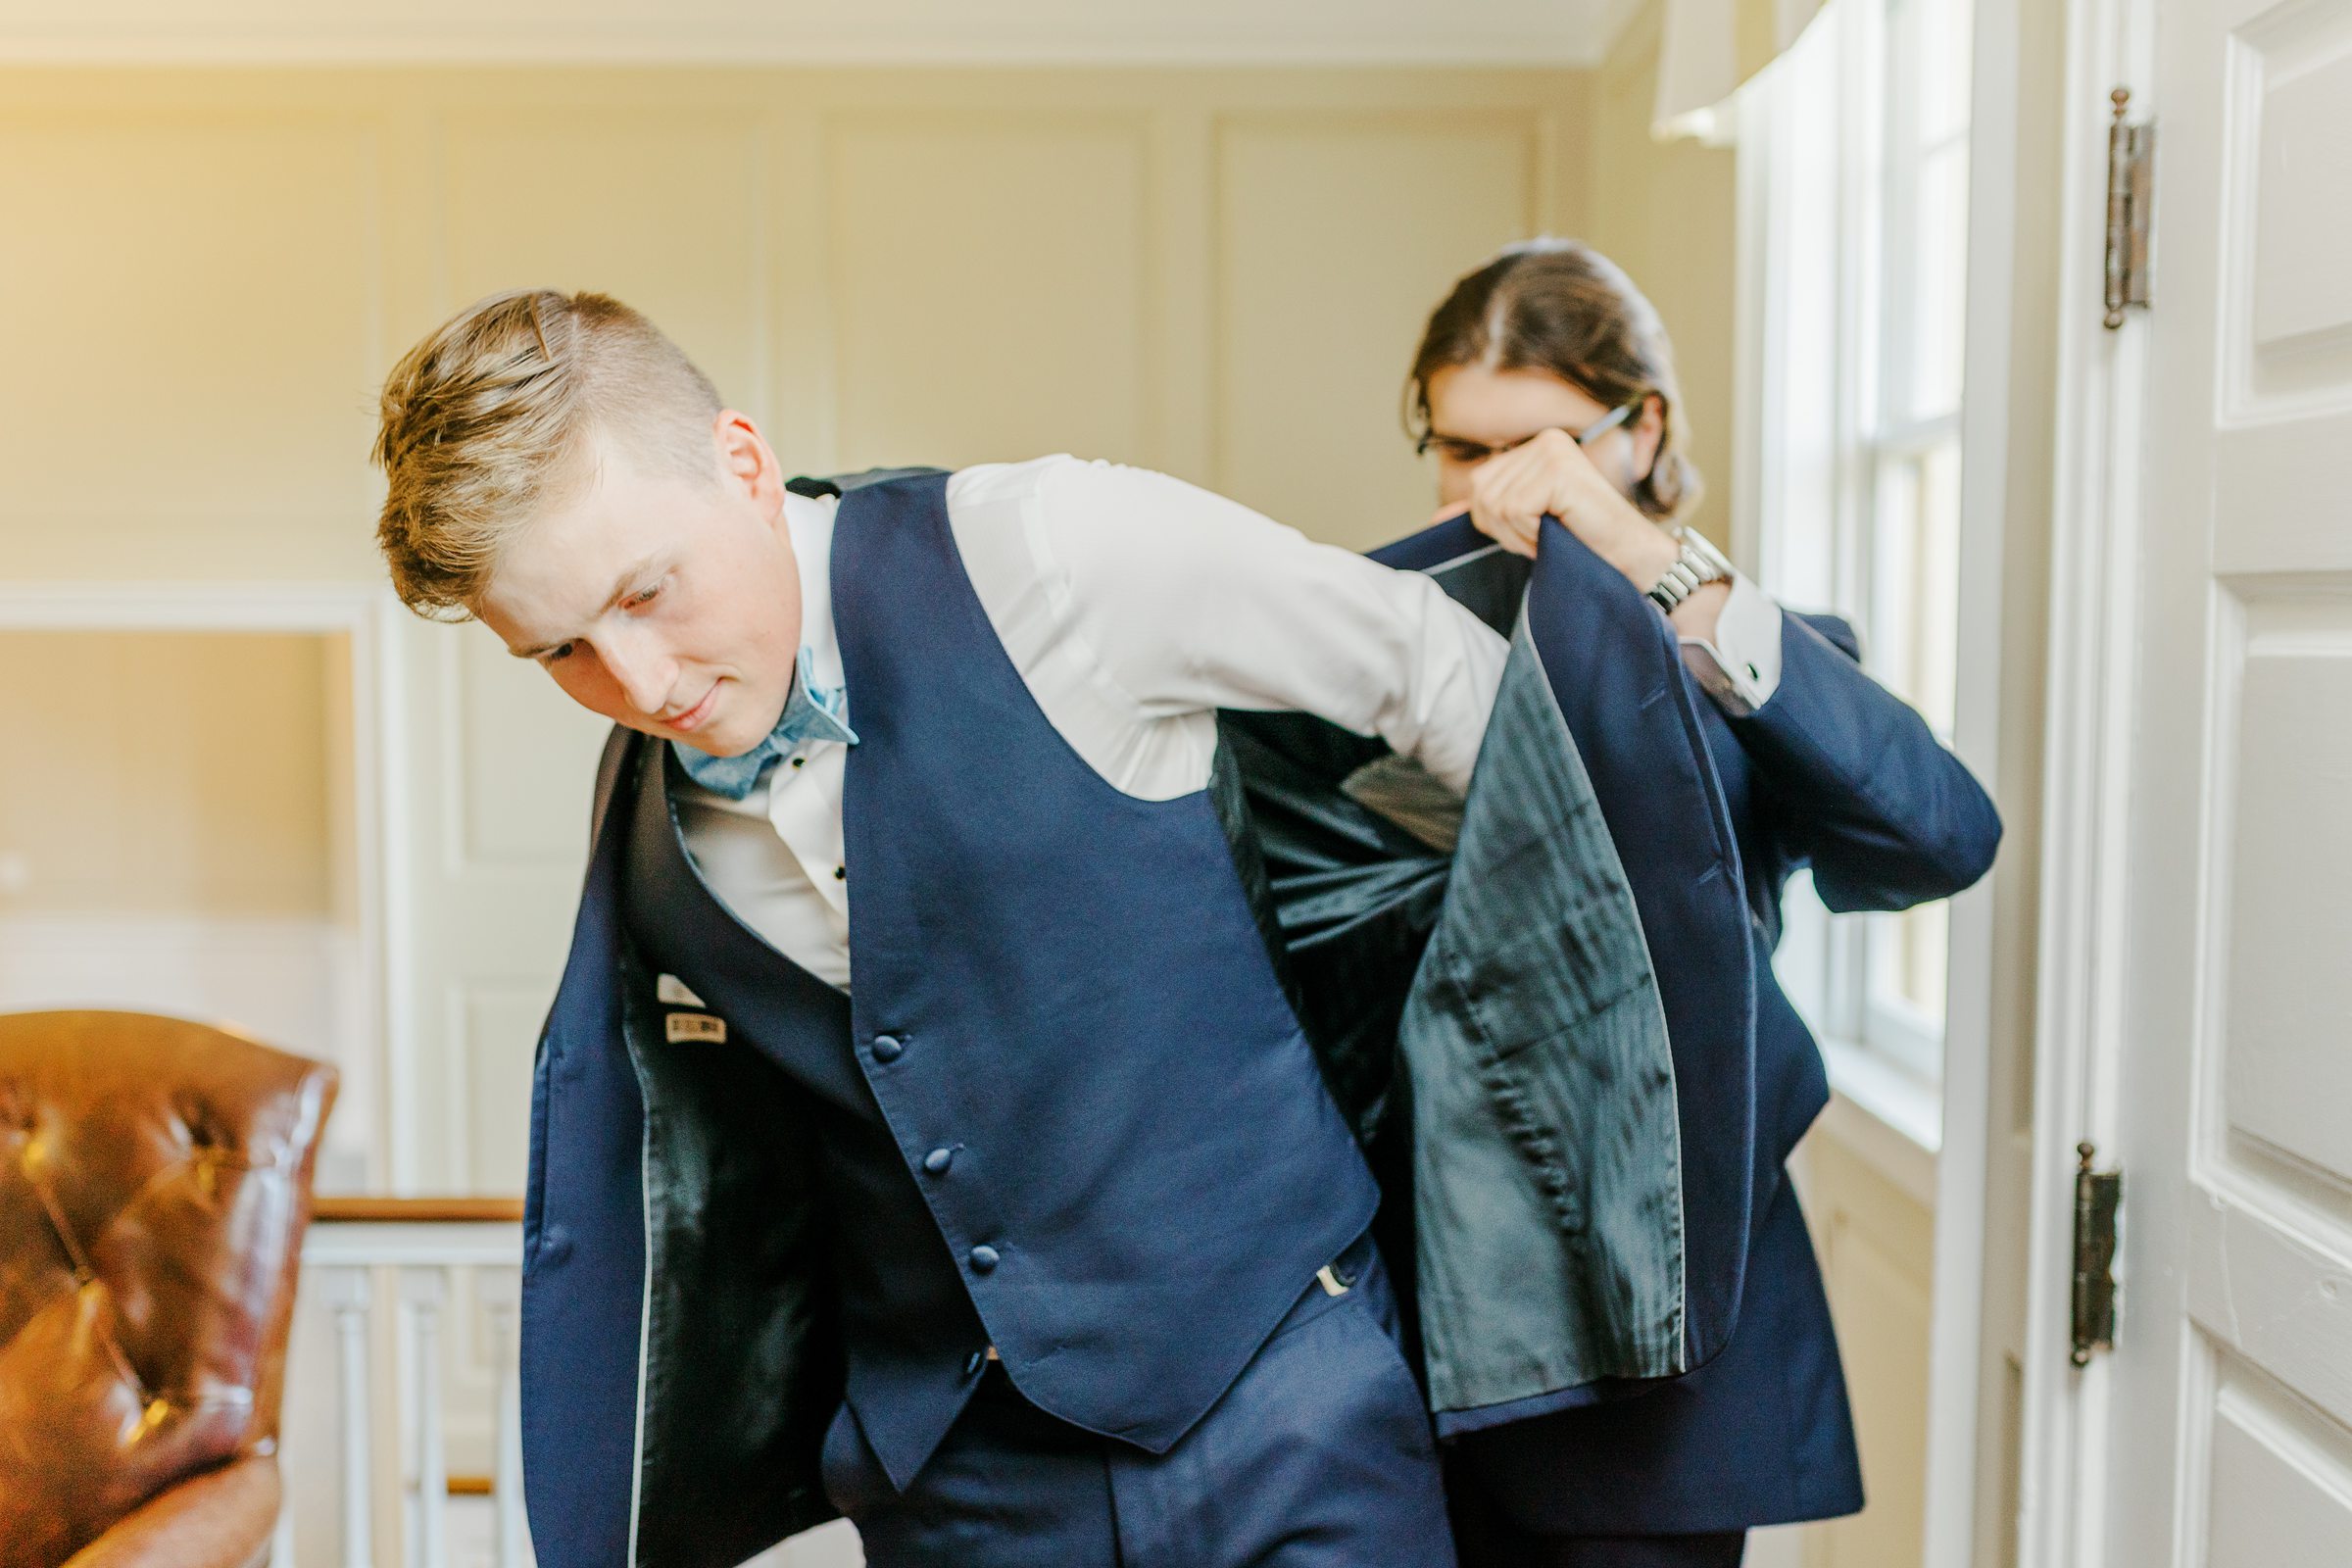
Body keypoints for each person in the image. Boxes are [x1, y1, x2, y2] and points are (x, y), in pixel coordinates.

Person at [369, 287, 1710, 1568]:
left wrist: (1570, 1000)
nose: (640, 683)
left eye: (647, 592)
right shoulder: (650, 822)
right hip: (953, 1485)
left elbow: (1444, 680)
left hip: (1283, 1410)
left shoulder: (1056, 552)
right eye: (560, 654)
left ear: (742, 461)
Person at [1396, 239, 2001, 1566]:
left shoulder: (1753, 659)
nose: (1493, 486)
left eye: (1540, 444)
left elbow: (1941, 838)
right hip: (1406, 1345)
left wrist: (1656, 567)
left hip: (1660, 1382)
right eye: (1457, 446)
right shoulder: (1370, 640)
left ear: (1638, 427)